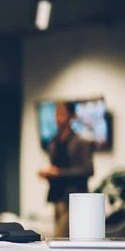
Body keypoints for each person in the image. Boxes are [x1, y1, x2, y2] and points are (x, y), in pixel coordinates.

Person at [38, 101, 94, 237]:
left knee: (61, 239)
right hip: (57, 196)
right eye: (56, 113)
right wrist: (48, 173)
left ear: (71, 116)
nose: (58, 118)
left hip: (74, 198)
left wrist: (59, 173)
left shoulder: (81, 141)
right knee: (58, 237)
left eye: (61, 113)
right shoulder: (53, 141)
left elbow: (88, 170)